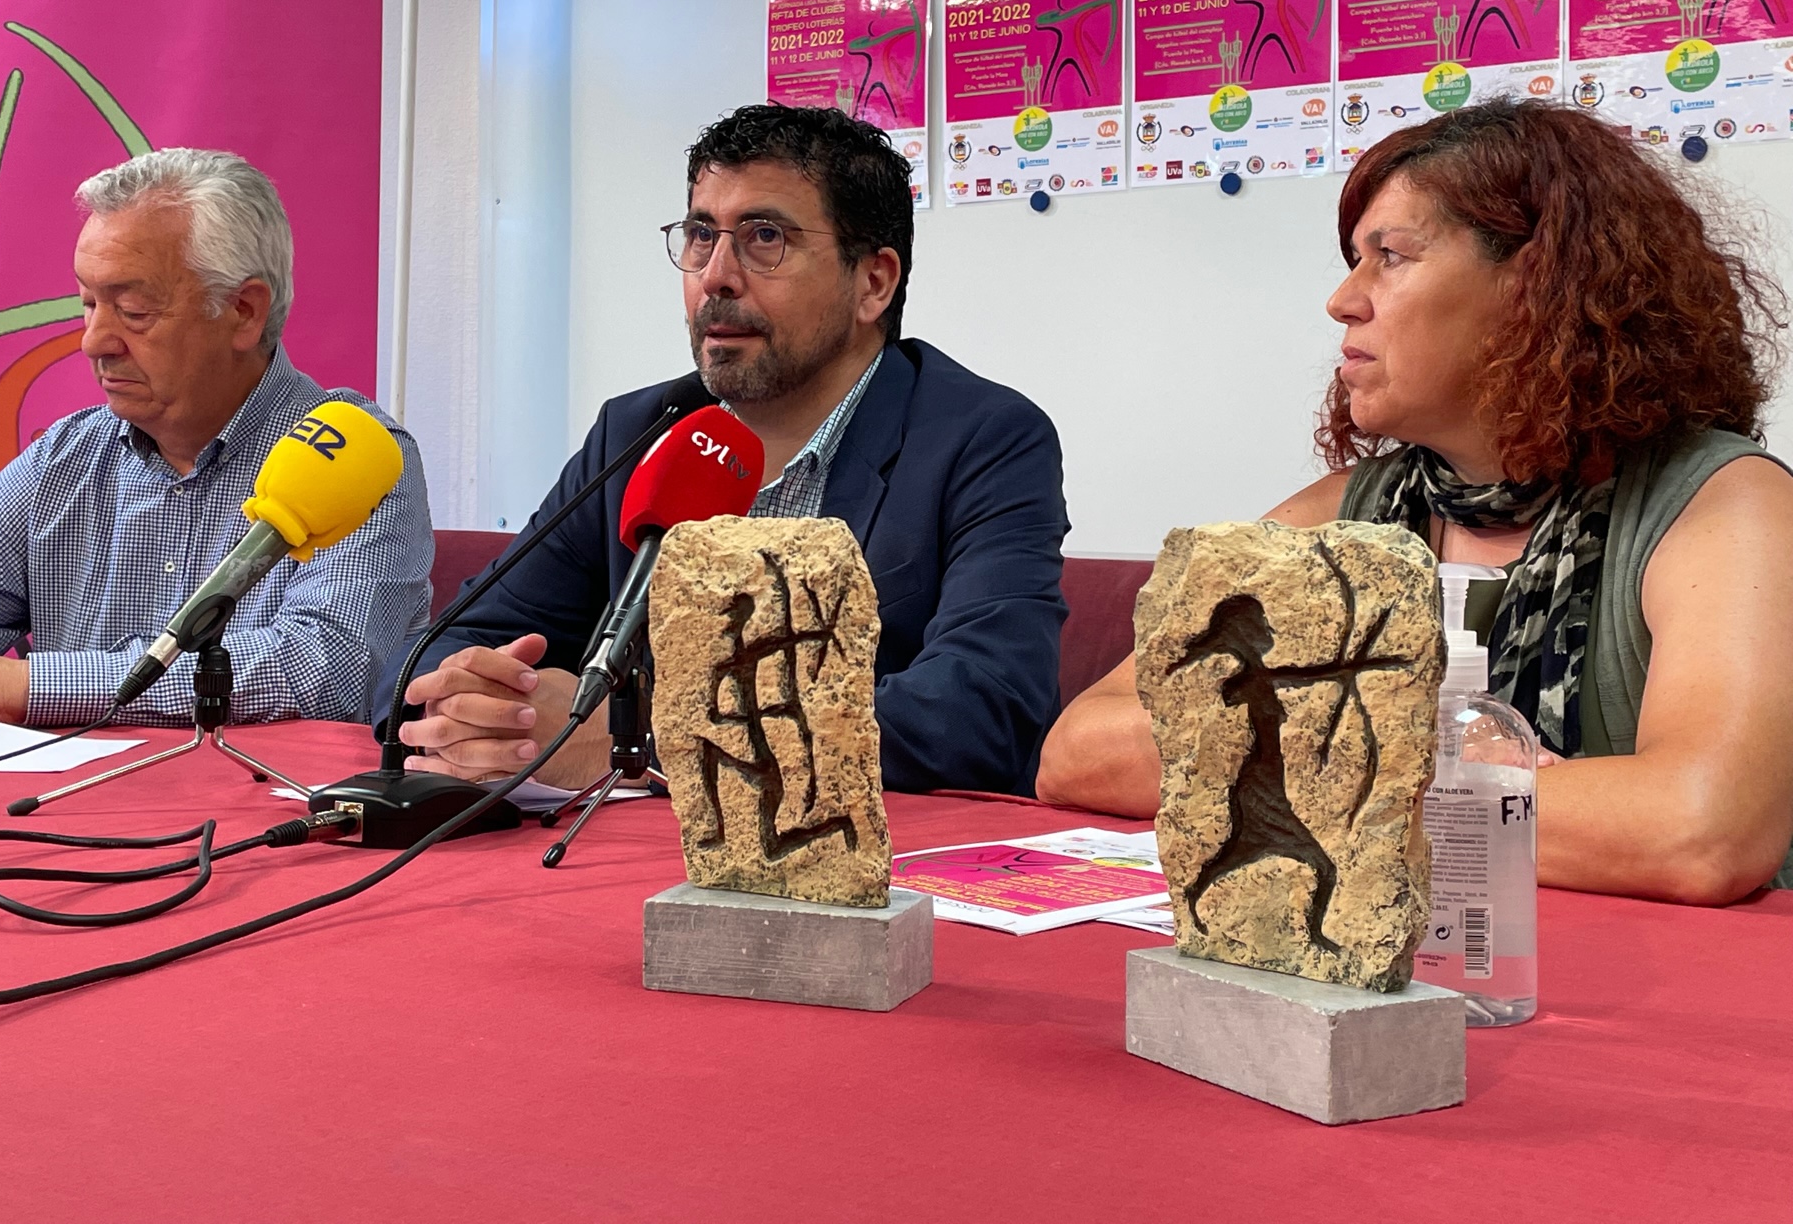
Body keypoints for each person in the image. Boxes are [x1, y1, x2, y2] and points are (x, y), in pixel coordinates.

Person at [1039, 99, 1793, 902]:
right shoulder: (1343, 512)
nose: (1343, 299)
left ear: (1539, 282)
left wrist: (1290, 765)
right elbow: (1082, 752)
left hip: (1646, 973)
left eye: (1390, 257)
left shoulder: (1725, 503)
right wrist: (1442, 768)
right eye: (1355, 260)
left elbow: (1701, 830)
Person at [401, 104, 1069, 795]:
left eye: (765, 237)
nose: (715, 276)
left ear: (873, 282)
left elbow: (981, 711)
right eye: (700, 236)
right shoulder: (637, 430)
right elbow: (432, 656)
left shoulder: (983, 439)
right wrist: (477, 710)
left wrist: (639, 741)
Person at [0, 149, 434, 729]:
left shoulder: (354, 456)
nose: (94, 342)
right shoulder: (66, 457)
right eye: (88, 304)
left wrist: (26, 686)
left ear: (243, 311)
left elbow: (325, 668)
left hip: (263, 819)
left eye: (134, 311)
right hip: (53, 810)